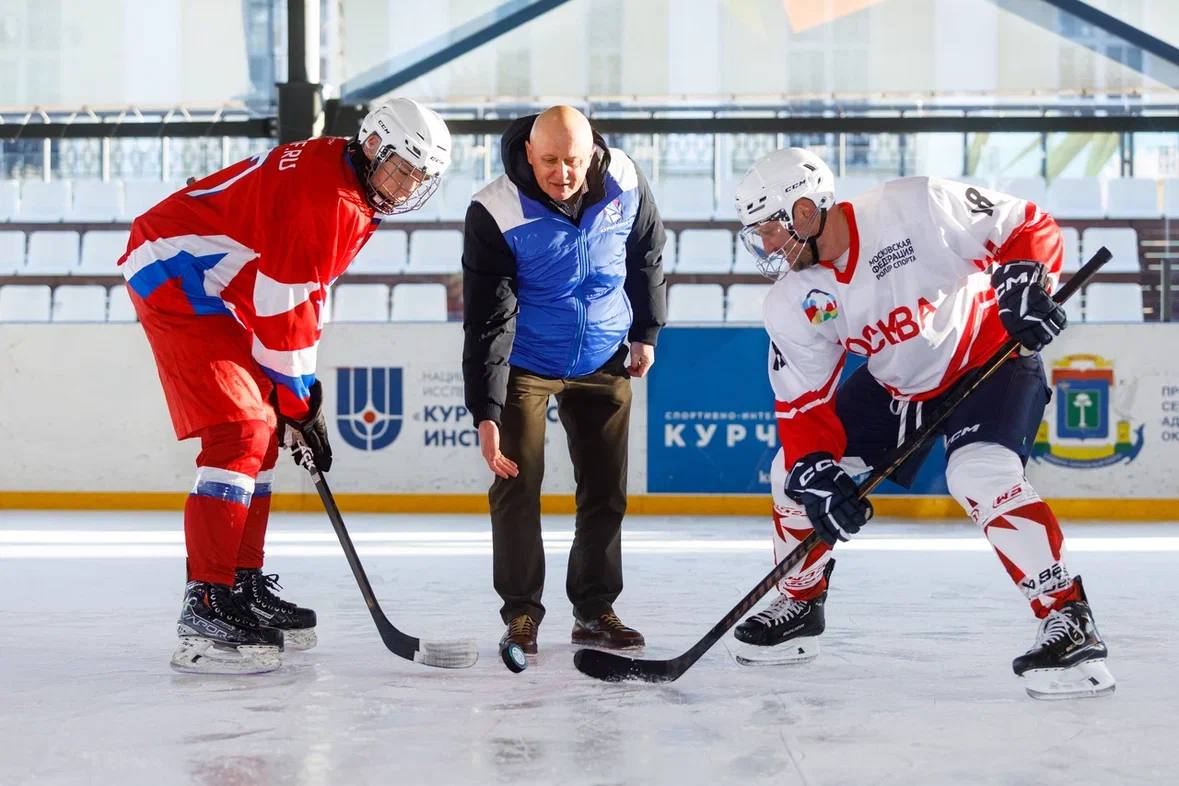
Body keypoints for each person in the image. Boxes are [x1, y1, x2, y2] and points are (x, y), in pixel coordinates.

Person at [729, 147, 1115, 700]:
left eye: (770, 229)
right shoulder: (793, 300)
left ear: (808, 212)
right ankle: (801, 600)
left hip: (990, 361)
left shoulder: (916, 206)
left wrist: (1027, 284)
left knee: (980, 474)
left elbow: (1025, 225)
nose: (764, 246)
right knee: (791, 472)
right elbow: (803, 406)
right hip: (898, 387)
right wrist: (818, 472)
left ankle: (1069, 618)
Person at [119, 98, 452, 674]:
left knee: (265, 429)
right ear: (372, 145)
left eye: (418, 178)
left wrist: (295, 401)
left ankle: (240, 583)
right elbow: (284, 307)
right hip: (176, 271)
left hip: (221, 283)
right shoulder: (324, 200)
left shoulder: (350, 185)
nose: (405, 188)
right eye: (401, 169)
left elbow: (302, 296)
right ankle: (205, 601)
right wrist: (301, 403)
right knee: (242, 430)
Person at [462, 105, 667, 658]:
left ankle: (595, 610)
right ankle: (522, 615)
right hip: (526, 364)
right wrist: (486, 409)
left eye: (572, 161)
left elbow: (646, 252)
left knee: (605, 492)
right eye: (549, 160)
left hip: (605, 358)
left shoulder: (623, 176)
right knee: (516, 488)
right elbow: (488, 318)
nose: (561, 173)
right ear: (529, 152)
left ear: (592, 151)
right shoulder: (496, 209)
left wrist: (646, 330)